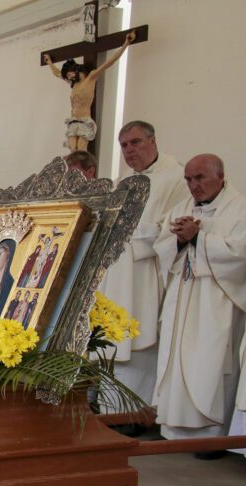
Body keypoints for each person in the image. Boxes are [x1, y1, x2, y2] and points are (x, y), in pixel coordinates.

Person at [152, 154, 246, 454]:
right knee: (177, 360)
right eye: (189, 179)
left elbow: (240, 254)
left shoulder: (239, 208)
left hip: (216, 301)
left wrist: (199, 239)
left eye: (200, 178)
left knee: (209, 363)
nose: (193, 186)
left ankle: (211, 437)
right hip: (183, 295)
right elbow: (161, 244)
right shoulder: (182, 207)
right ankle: (173, 428)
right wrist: (179, 240)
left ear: (220, 176)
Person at [99, 121, 188, 406]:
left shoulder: (176, 177)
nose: (128, 150)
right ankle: (110, 409)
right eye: (123, 145)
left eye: (135, 142)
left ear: (153, 141)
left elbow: (172, 227)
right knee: (112, 336)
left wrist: (132, 235)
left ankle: (135, 409)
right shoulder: (121, 182)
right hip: (116, 273)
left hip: (146, 273)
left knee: (139, 339)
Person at [44, 31, 135, 150]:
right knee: (72, 151)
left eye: (69, 73)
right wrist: (49, 62)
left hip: (84, 120)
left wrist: (126, 43)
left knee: (81, 150)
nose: (69, 76)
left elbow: (109, 62)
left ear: (75, 70)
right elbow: (57, 73)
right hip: (73, 121)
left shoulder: (90, 78)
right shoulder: (73, 83)